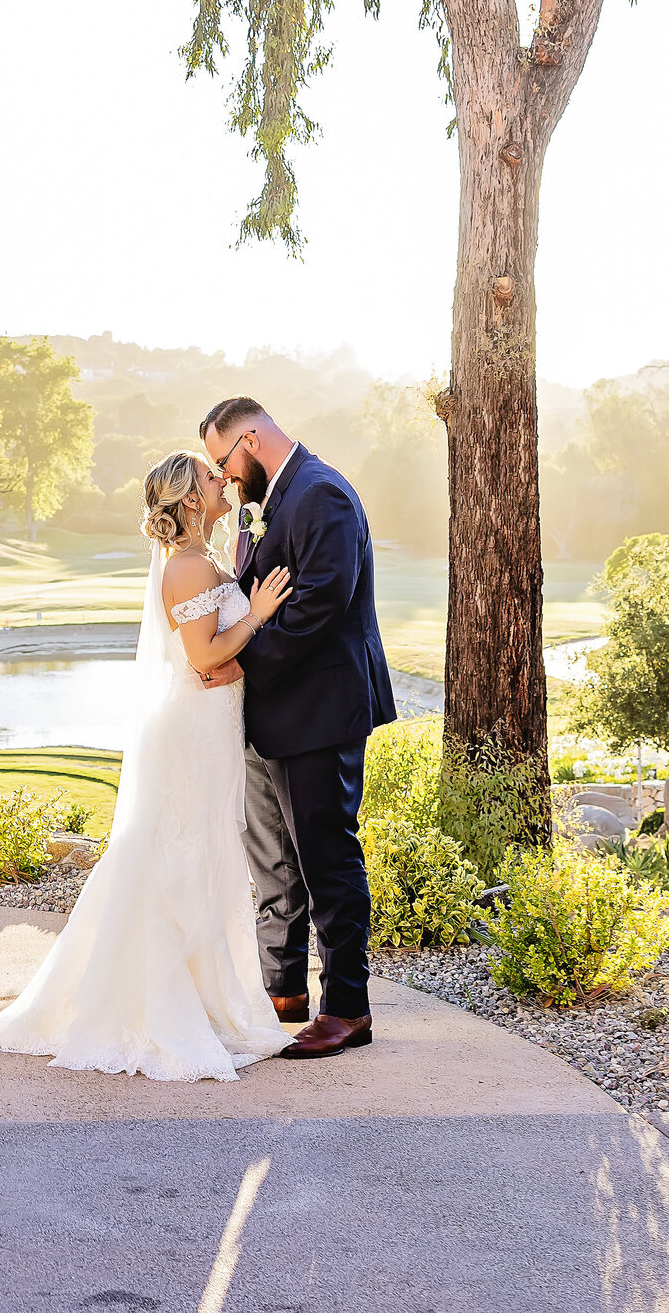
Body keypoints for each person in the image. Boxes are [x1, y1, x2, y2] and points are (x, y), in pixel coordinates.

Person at [0, 451, 294, 1082]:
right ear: (191, 499)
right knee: (177, 857)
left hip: (213, 725)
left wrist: (241, 649)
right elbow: (203, 658)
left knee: (202, 855)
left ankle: (205, 999)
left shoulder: (205, 559)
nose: (223, 480)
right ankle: (156, 1007)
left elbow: (219, 658)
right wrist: (257, 615)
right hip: (192, 733)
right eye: (211, 476)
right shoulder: (188, 567)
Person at [200, 398, 396, 1058]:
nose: (223, 478)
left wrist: (233, 656)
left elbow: (318, 608)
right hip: (275, 711)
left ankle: (348, 1007)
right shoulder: (274, 497)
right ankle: (282, 991)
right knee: (276, 860)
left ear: (250, 438)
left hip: (320, 710)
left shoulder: (322, 496)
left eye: (223, 461)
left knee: (327, 859)